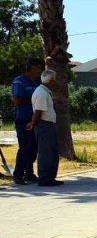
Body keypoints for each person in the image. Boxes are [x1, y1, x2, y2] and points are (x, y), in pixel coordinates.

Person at [26, 69, 62, 186]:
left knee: (52, 151)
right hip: (43, 124)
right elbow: (38, 111)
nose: (55, 83)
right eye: (54, 80)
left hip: (47, 124)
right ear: (51, 80)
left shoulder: (45, 92)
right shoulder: (42, 92)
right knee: (46, 152)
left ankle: (50, 177)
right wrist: (32, 123)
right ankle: (45, 178)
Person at [10, 57, 43, 185]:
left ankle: (29, 173)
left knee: (33, 148)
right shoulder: (19, 81)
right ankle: (18, 174)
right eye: (38, 68)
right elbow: (17, 100)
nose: (39, 71)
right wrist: (35, 101)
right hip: (23, 119)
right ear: (32, 68)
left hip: (35, 119)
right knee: (24, 147)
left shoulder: (35, 83)